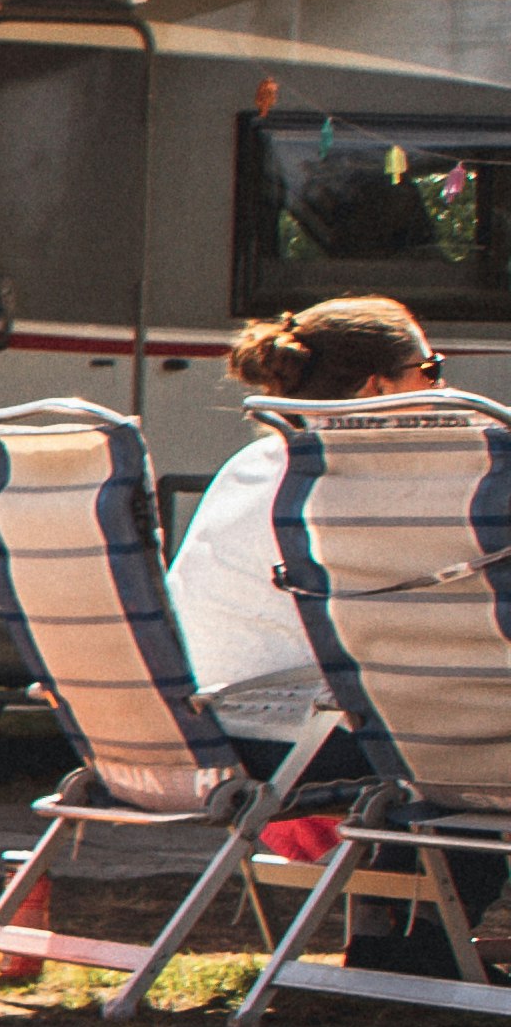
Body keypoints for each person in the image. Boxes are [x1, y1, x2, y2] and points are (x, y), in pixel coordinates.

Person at [170, 293, 442, 734]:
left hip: (214, 730)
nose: (440, 389)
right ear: (378, 387)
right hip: (308, 738)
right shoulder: (360, 486)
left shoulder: (255, 464)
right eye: (430, 370)